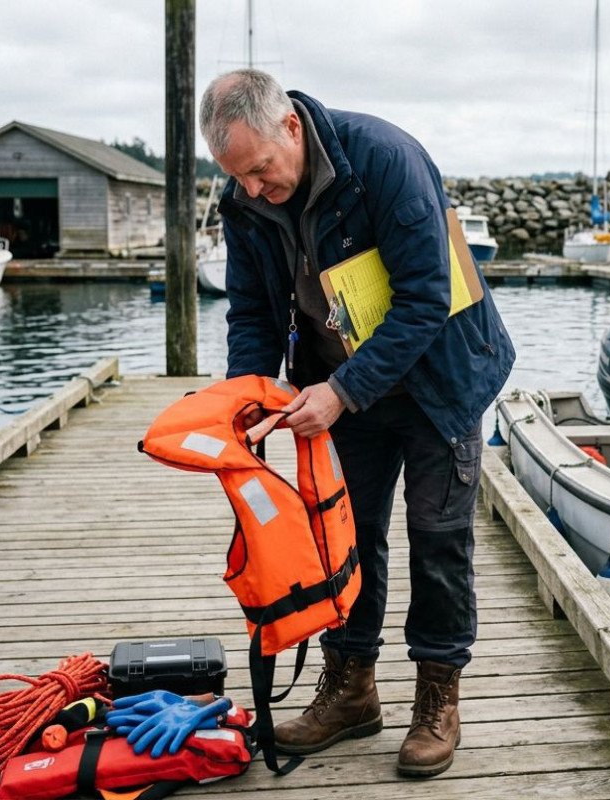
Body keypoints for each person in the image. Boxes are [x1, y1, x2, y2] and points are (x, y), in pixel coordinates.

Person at [198, 69, 515, 778]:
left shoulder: (385, 160)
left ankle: (437, 698)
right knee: (344, 532)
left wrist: (340, 392)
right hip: (340, 382)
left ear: (290, 127)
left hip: (440, 378)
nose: (252, 188)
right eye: (236, 176)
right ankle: (352, 689)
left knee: (437, 538)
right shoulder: (244, 200)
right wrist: (247, 396)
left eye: (260, 171)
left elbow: (426, 300)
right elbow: (251, 310)